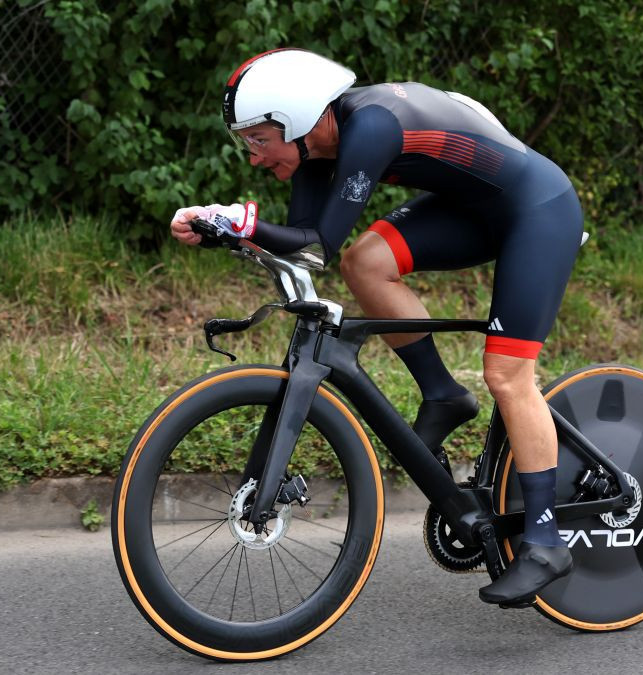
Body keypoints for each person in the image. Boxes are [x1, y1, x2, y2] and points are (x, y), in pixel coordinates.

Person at [169, 48, 584, 606]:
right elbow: (308, 253)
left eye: (257, 140)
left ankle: (545, 541)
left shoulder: (370, 126)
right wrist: (222, 228)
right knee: (363, 262)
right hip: (472, 208)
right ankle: (443, 394)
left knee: (508, 375)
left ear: (292, 115)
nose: (254, 159)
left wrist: (239, 222)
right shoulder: (315, 150)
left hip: (539, 209)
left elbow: (312, 241)